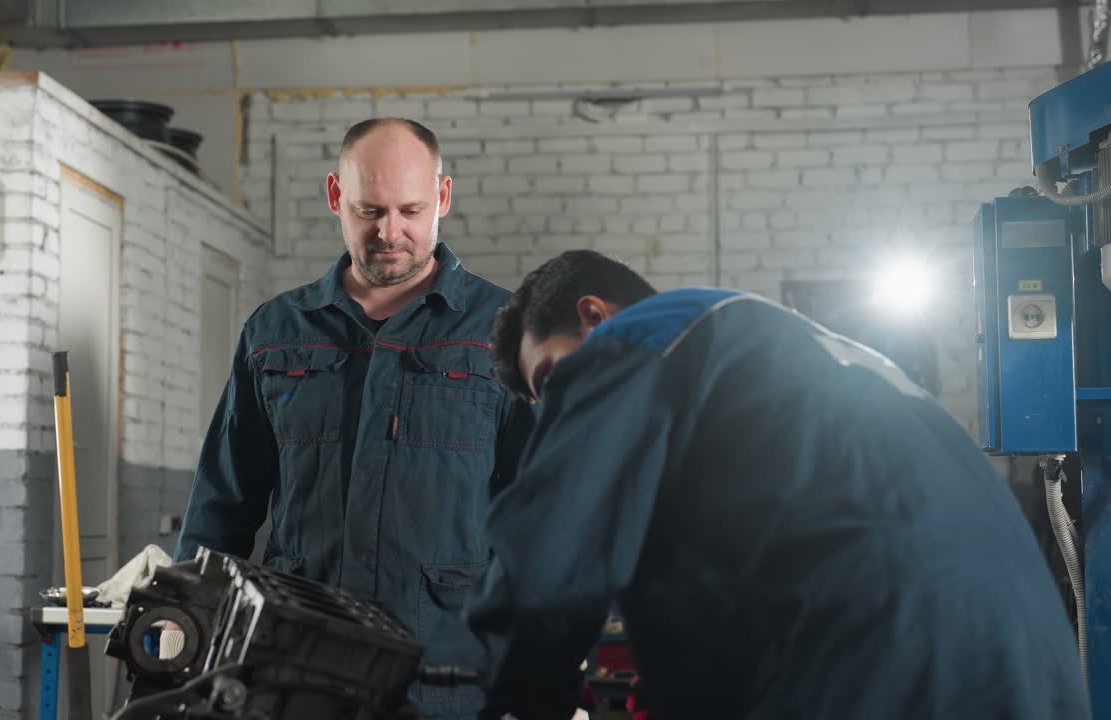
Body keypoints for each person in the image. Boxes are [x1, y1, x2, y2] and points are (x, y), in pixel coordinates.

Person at [465, 250, 1089, 719]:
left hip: (882, 663)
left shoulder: (639, 336)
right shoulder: (797, 354)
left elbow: (548, 564)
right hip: (1030, 676)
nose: (555, 415)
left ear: (594, 316)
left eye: (549, 382)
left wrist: (519, 693)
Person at [174, 118, 533, 718]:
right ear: (337, 197)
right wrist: (185, 615)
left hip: (448, 678)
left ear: (442, 198)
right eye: (370, 211)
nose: (390, 233)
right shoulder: (275, 333)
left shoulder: (506, 334)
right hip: (298, 667)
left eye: (410, 211)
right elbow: (223, 502)